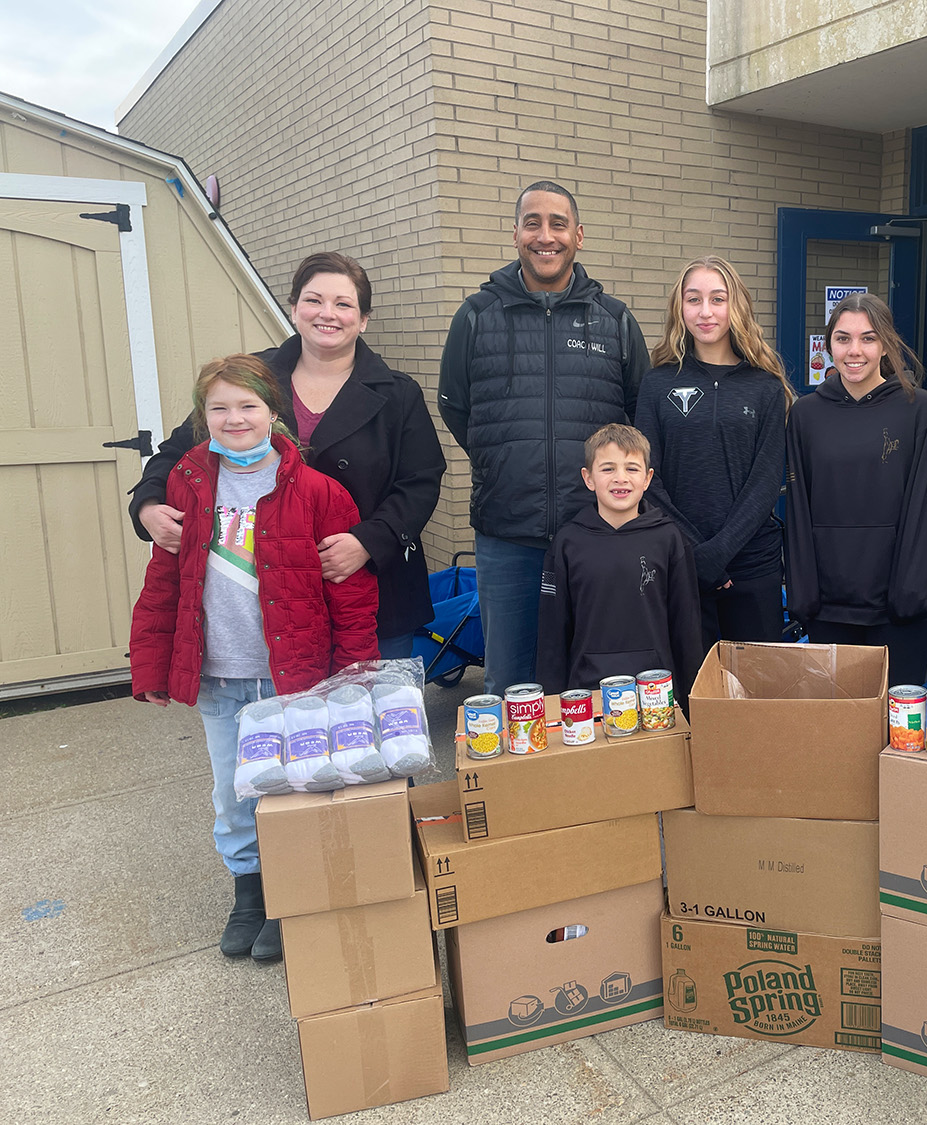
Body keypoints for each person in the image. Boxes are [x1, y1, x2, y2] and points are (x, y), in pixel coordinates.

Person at [129, 355, 379, 964]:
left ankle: (292, 895)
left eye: (247, 406)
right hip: (220, 674)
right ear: (202, 418)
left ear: (274, 414)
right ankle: (250, 892)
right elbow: (165, 583)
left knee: (294, 787)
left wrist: (356, 669)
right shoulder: (185, 485)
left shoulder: (317, 491)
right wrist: (152, 665)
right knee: (234, 793)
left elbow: (349, 592)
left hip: (289, 675)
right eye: (219, 408)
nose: (234, 418)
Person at [129, 252, 445, 660]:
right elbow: (178, 450)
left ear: (363, 319)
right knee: (285, 723)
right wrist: (149, 504)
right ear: (294, 308)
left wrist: (368, 542)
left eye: (343, 304)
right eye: (314, 300)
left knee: (374, 719)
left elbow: (420, 482)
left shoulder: (397, 392)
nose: (327, 314)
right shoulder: (250, 377)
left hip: (365, 584)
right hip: (265, 596)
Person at [439, 181, 649, 694]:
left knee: (599, 675)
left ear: (579, 235)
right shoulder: (475, 317)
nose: (545, 235)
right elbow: (457, 409)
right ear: (515, 234)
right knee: (511, 680)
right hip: (507, 535)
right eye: (532, 222)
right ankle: (515, 778)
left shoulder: (615, 321)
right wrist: (507, 460)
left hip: (598, 533)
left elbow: (639, 417)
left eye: (558, 224)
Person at [636, 255, 795, 652]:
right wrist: (694, 554)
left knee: (756, 693)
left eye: (717, 299)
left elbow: (765, 479)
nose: (705, 312)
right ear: (680, 308)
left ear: (735, 306)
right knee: (685, 696)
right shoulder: (657, 384)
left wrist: (718, 552)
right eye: (693, 299)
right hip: (677, 560)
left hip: (752, 563)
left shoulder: (766, 387)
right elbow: (647, 477)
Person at [785, 293, 927, 686]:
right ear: (828, 346)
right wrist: (803, 597)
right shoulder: (806, 415)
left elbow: (925, 509)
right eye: (843, 339)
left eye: (868, 338)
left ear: (886, 344)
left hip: (897, 607)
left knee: (898, 730)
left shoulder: (917, 409)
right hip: (828, 606)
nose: (854, 351)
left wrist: (908, 595)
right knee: (838, 728)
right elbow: (797, 512)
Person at [535, 424, 702, 697]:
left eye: (632, 468)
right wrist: (553, 703)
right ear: (588, 478)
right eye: (608, 468)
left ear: (647, 478)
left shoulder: (670, 539)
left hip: (655, 691)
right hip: (586, 692)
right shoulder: (567, 544)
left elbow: (686, 628)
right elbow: (553, 634)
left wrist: (691, 704)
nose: (620, 478)